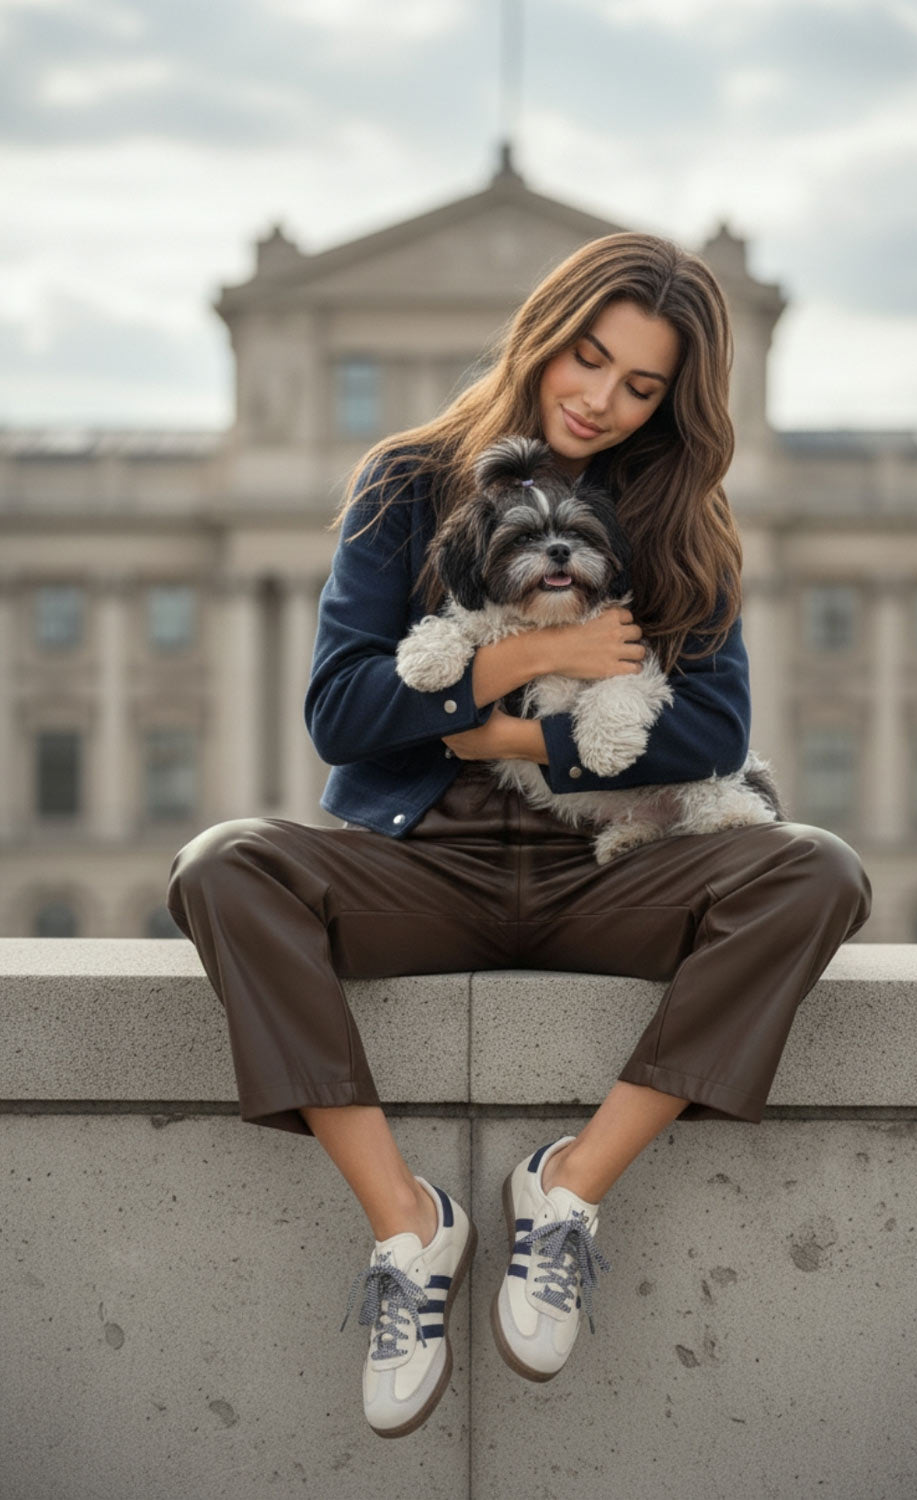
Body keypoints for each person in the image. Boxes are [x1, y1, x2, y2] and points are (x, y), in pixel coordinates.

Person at [166, 232, 872, 1439]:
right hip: (419, 866)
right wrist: (538, 658)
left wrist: (505, 738)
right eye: (586, 359)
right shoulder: (405, 481)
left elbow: (708, 728)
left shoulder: (677, 514)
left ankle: (567, 1191)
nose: (600, 399)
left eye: (641, 384)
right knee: (224, 864)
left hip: (618, 871)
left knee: (816, 869)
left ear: (675, 401)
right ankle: (408, 1227)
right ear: (543, 334)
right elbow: (341, 711)